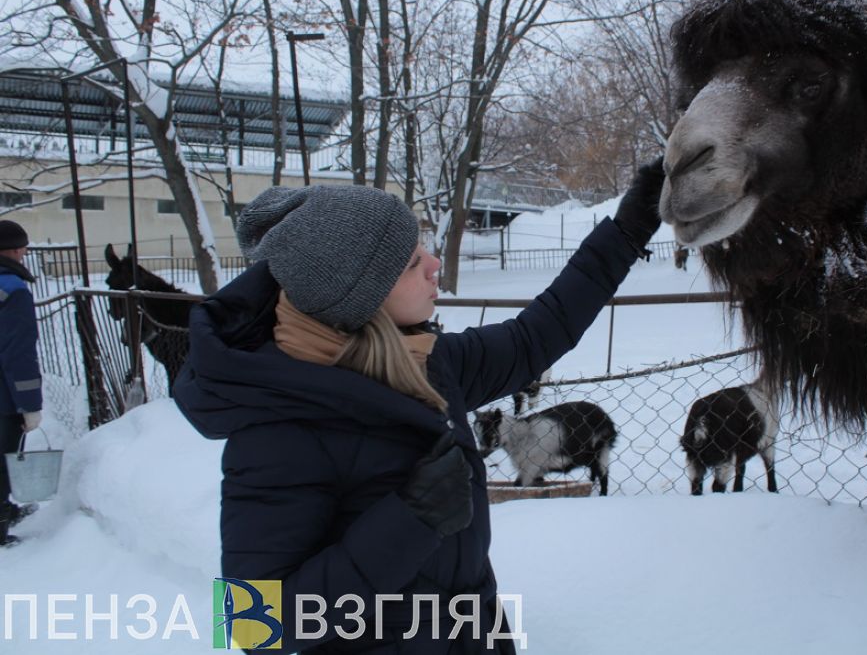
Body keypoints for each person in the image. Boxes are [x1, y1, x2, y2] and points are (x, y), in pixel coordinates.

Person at [174, 161, 664, 654]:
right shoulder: (278, 429)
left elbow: (539, 334)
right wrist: (411, 522)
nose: (433, 265)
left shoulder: (428, 364)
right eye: (410, 262)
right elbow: (256, 626)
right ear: (358, 295)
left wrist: (627, 230)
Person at [0, 219, 43, 547]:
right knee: (4, 459)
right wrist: (29, 406)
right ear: (16, 250)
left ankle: (7, 509)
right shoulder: (13, 290)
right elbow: (18, 354)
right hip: (4, 398)